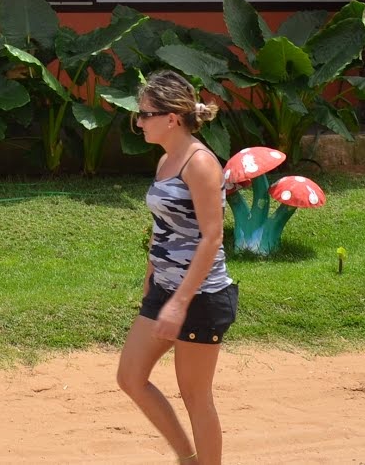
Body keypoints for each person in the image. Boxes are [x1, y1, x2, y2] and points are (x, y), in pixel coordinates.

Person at [116, 70, 236, 465]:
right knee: (130, 377)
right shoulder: (167, 160)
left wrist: (179, 302)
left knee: (196, 396)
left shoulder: (200, 164)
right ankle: (188, 458)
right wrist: (152, 280)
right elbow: (163, 227)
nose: (139, 121)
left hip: (200, 297)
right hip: (165, 291)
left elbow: (212, 237)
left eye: (145, 114)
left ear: (171, 118)